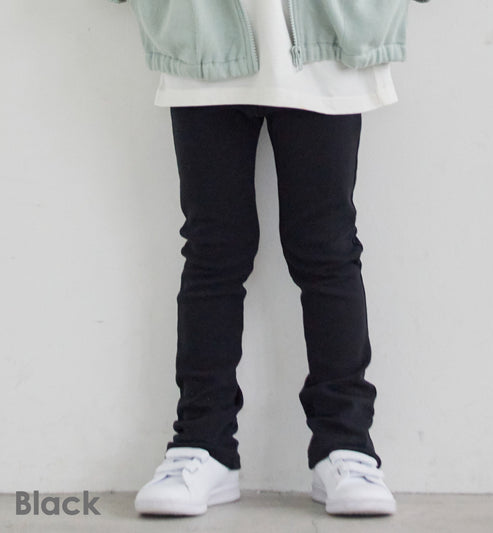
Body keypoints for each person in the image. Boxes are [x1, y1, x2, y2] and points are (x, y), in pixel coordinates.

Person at [107, 0, 430, 518]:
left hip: (330, 49)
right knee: (213, 253)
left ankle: (346, 447)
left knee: (328, 252)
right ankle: (202, 444)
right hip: (201, 40)